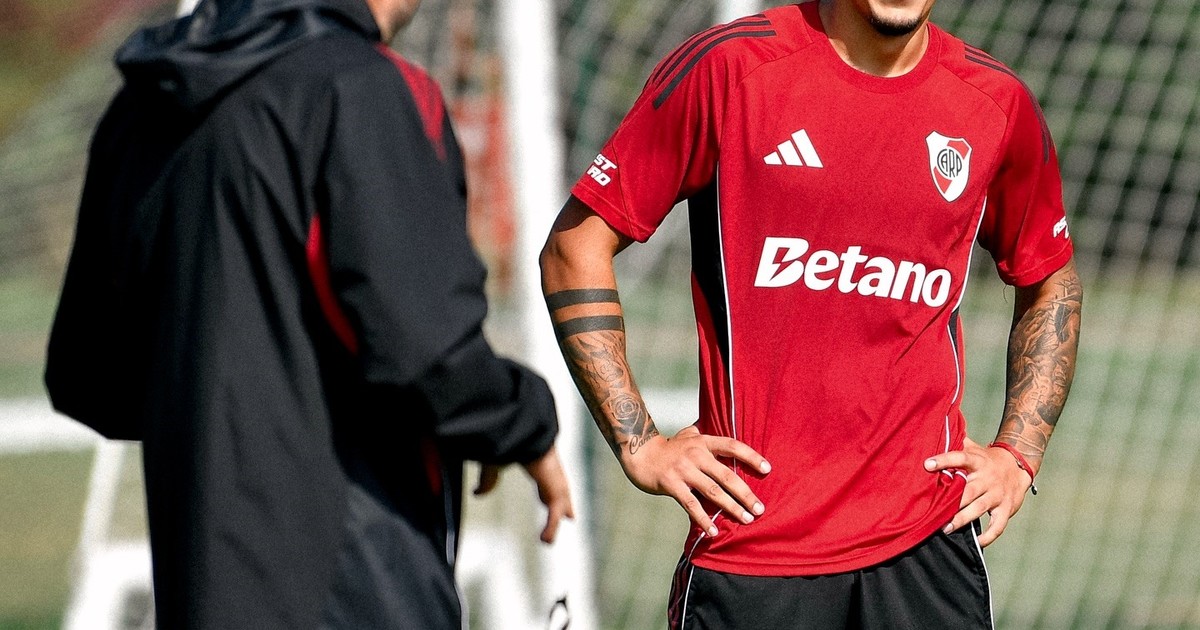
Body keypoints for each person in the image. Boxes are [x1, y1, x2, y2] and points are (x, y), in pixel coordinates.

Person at [541, 1, 1082, 627]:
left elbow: (1051, 280)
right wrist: (641, 445)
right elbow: (573, 250)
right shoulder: (729, 70)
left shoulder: (995, 103)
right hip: (751, 551)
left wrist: (1018, 452)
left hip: (928, 550)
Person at [44, 0, 572, 628]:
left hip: (200, 587)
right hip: (354, 584)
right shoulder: (360, 87)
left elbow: (86, 378)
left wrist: (222, 428)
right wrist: (522, 423)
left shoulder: (140, 106)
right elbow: (426, 351)